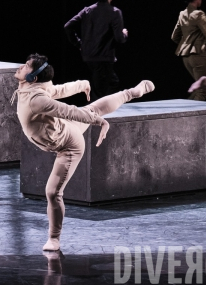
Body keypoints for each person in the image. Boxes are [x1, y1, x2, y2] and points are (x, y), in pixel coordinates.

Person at [11, 53, 154, 252]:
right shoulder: (35, 88)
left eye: (26, 66)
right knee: (95, 108)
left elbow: (67, 110)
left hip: (69, 145)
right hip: (64, 127)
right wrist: (82, 84)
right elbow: (60, 90)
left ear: (32, 78)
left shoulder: (38, 100)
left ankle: (54, 239)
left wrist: (98, 122)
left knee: (52, 192)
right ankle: (133, 92)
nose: (20, 66)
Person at [64, 0, 128, 100]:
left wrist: (79, 44)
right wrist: (124, 33)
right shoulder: (114, 12)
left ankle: (99, 110)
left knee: (105, 84)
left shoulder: (87, 11)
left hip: (88, 56)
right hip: (103, 58)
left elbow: (68, 26)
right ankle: (97, 113)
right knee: (105, 88)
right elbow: (120, 39)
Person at [171, 0, 206, 101]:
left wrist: (187, 42)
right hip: (198, 55)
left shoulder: (182, 14)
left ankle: (185, 111)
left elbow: (174, 37)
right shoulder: (199, 14)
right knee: (203, 89)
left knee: (198, 87)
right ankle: (191, 117)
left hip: (186, 58)